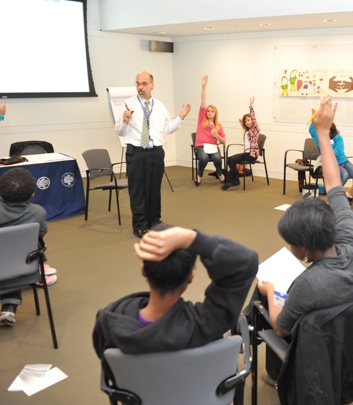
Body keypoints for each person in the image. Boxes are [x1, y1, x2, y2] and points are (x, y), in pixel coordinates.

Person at [256, 96, 353, 385]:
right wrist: (322, 132)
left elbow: (281, 328)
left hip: (321, 347)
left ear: (304, 247)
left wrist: (270, 291)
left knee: (264, 295)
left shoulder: (308, 284)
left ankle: (272, 371)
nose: (290, 248)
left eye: (292, 243)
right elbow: (334, 185)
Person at [92, 224, 258, 358]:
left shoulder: (108, 323)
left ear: (143, 270)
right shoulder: (205, 325)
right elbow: (245, 262)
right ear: (190, 277)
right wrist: (191, 239)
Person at [0, 168, 56, 327]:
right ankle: (9, 307)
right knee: (13, 255)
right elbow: (41, 234)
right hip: (21, 273)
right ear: (32, 195)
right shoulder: (37, 213)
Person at [116, 71, 190, 238]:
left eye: (144, 83)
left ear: (152, 85)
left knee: (154, 188)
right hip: (136, 152)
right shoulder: (127, 104)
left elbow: (168, 129)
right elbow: (120, 131)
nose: (140, 87)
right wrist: (126, 121)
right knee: (138, 190)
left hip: (156, 153)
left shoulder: (160, 106)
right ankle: (140, 225)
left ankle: (155, 221)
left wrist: (181, 117)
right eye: (137, 83)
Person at [221, 97, 260, 190]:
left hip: (252, 154)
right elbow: (243, 123)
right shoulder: (247, 131)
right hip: (246, 153)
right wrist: (243, 122)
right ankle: (235, 179)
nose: (248, 122)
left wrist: (250, 106)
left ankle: (231, 180)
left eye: (249, 120)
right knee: (229, 159)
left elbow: (253, 118)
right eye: (246, 121)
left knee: (233, 160)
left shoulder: (255, 129)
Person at [194, 75, 226, 186]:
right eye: (208, 111)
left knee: (217, 158)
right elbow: (203, 102)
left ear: (215, 113)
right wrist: (203, 87)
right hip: (201, 146)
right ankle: (200, 175)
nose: (209, 112)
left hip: (213, 147)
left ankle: (220, 174)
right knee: (204, 158)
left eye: (212, 111)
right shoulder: (202, 119)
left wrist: (216, 135)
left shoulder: (218, 125)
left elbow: (223, 141)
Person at [308, 119, 353, 187]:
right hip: (333, 164)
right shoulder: (321, 139)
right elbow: (312, 130)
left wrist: (328, 155)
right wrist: (315, 120)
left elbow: (339, 150)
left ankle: (352, 194)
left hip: (344, 161)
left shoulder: (338, 138)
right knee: (345, 175)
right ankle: (335, 193)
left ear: (331, 130)